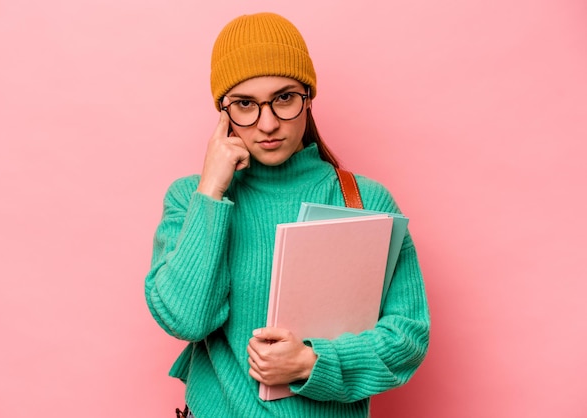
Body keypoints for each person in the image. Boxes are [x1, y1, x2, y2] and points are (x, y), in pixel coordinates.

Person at [144, 12, 430, 418]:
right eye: (245, 104)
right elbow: (187, 320)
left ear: (308, 98)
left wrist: (313, 363)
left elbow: (408, 335)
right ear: (222, 113)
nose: (268, 123)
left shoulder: (364, 200)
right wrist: (211, 192)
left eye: (284, 98)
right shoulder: (191, 198)